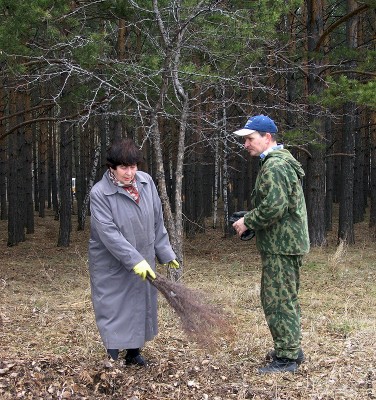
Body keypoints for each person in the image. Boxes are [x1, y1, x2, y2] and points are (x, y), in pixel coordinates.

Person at [88, 138, 179, 366]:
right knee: (114, 307)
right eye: (123, 168)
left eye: (133, 167)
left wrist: (166, 252)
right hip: (111, 262)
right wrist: (134, 260)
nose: (129, 173)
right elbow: (109, 234)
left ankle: (133, 352)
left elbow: (157, 221)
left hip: (144, 257)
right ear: (112, 168)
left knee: (139, 305)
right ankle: (112, 355)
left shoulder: (146, 182)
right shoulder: (100, 193)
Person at [232, 115, 310, 374]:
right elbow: (278, 203)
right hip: (284, 243)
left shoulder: (275, 165)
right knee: (284, 297)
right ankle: (289, 349)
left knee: (277, 300)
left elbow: (274, 207)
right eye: (245, 140)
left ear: (267, 137)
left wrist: (247, 221)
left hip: (282, 245)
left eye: (250, 139)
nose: (246, 144)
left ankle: (287, 358)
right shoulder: (277, 162)